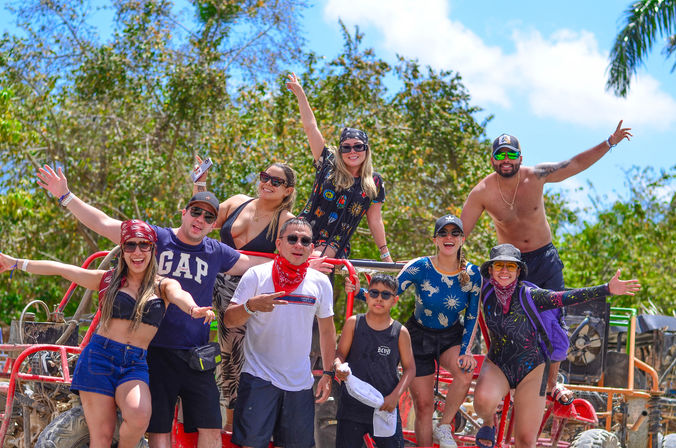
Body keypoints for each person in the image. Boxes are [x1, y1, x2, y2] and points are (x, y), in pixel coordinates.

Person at [37, 166, 266, 448]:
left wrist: (302, 263)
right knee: (157, 429)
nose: (201, 219)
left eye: (209, 217)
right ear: (184, 213)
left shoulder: (216, 251)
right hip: (152, 353)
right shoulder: (152, 240)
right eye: (195, 212)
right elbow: (103, 223)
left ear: (212, 224)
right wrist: (66, 196)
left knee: (210, 427)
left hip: (196, 353)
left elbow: (254, 265)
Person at [0, 220, 215, 448]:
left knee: (139, 415)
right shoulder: (107, 280)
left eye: (144, 245)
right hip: (99, 359)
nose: (137, 252)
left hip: (134, 363)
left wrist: (193, 308)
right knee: (101, 438)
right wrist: (15, 263)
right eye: (130, 246)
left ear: (153, 249)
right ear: (122, 251)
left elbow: (179, 294)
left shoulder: (162, 286)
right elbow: (61, 269)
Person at [460, 121, 633, 401]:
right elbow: (460, 234)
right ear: (492, 159)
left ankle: (553, 384)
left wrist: (609, 142)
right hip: (510, 265)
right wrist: (441, 265)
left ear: (520, 158)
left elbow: (574, 164)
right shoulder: (482, 192)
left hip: (544, 259)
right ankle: (506, 381)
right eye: (501, 155)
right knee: (506, 323)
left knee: (554, 322)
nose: (506, 160)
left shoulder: (536, 175)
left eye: (511, 154)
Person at [473, 244, 640, 448]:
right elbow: (454, 268)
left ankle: (553, 384)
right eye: (499, 265)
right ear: (490, 269)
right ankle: (489, 423)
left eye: (511, 266)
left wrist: (607, 289)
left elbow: (567, 297)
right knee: (482, 402)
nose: (505, 271)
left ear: (518, 271)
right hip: (498, 364)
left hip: (532, 369)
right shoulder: (484, 289)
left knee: (525, 440)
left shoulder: (530, 295)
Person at [192, 158, 297, 430]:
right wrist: (200, 182)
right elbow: (201, 219)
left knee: (233, 355)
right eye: (265, 177)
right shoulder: (238, 201)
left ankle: (233, 428)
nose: (268, 184)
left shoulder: (287, 222)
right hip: (212, 281)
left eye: (277, 181)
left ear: (288, 190)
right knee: (190, 336)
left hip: (247, 289)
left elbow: (290, 260)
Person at [223, 218, 337, 448]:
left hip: (300, 384)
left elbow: (327, 330)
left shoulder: (321, 282)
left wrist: (328, 372)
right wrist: (251, 306)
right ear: (279, 243)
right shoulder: (257, 275)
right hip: (259, 378)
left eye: (305, 241)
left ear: (311, 247)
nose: (299, 245)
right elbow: (228, 319)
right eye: (292, 239)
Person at [286, 72, 393, 262]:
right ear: (340, 150)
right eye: (346, 147)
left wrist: (385, 255)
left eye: (358, 146)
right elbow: (311, 127)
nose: (353, 151)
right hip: (302, 231)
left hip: (333, 243)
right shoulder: (328, 163)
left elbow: (375, 220)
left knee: (315, 262)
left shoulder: (374, 181)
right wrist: (300, 95)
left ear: (366, 150)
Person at [333, 273, 415, 448]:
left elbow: (410, 369)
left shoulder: (400, 332)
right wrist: (338, 366)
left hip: (385, 407)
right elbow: (339, 354)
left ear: (395, 300)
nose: (379, 298)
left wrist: (395, 397)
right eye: (374, 293)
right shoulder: (353, 323)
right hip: (352, 407)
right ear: (367, 296)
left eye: (386, 295)